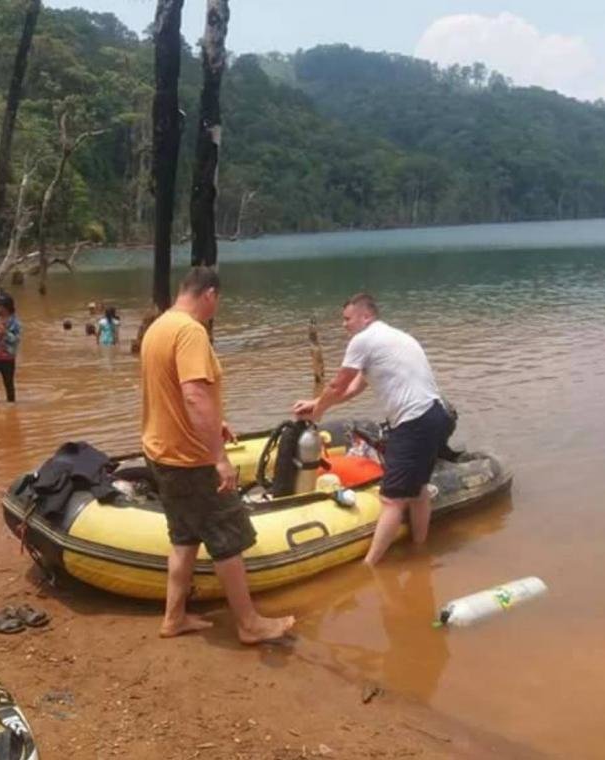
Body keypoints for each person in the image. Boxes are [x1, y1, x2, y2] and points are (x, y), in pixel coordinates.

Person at [141, 266, 295, 644]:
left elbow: (174, 391)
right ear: (209, 294)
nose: (217, 308)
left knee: (184, 538)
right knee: (228, 538)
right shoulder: (191, 332)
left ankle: (173, 617)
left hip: (160, 452)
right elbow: (193, 394)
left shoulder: (158, 327)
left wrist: (217, 420)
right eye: (218, 301)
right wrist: (219, 456)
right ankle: (249, 624)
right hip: (190, 460)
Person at [292, 293, 454, 566]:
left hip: (414, 422)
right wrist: (316, 403)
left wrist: (319, 410)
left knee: (391, 499)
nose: (344, 325)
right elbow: (353, 389)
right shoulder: (389, 338)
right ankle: (419, 549)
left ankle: (370, 567)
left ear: (366, 316)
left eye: (347, 319)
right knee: (418, 490)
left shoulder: (363, 340)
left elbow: (337, 386)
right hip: (434, 416)